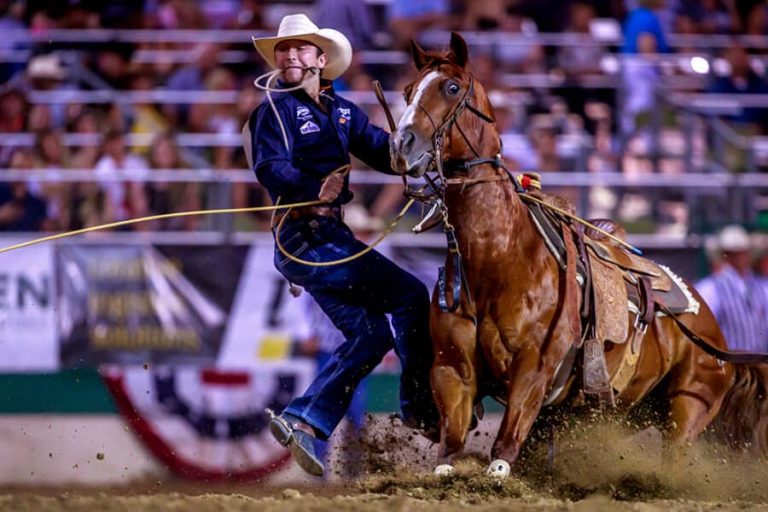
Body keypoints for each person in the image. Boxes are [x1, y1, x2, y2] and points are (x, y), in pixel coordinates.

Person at [245, 13, 438, 477]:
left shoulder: (344, 110)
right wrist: (315, 189)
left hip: (331, 240)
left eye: (299, 48)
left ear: (320, 58)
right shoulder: (272, 110)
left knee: (372, 336)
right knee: (410, 295)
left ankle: (304, 419)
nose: (289, 55)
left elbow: (385, 153)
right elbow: (271, 168)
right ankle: (419, 408)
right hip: (303, 238)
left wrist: (413, 150)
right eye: (283, 49)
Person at [696, 225, 768, 353]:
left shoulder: (761, 286)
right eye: (733, 253)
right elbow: (702, 328)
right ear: (725, 255)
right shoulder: (711, 287)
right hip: (728, 366)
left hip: (760, 364)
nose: (740, 257)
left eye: (742, 252)